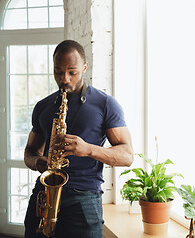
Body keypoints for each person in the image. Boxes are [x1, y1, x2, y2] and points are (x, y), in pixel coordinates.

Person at [23, 39, 134, 238]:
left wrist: (88, 149)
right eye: (58, 71)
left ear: (84, 67)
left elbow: (127, 156)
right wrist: (38, 161)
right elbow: (30, 152)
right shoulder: (43, 106)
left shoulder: (106, 104)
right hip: (44, 195)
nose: (64, 79)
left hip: (84, 199)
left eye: (72, 72)